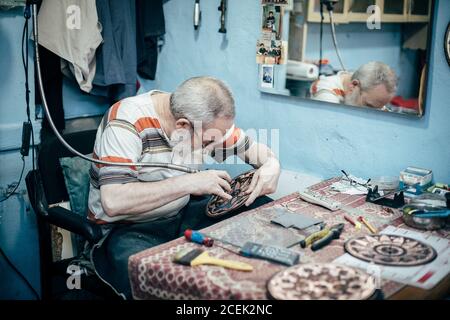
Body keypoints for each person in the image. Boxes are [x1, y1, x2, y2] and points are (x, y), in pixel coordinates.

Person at [87, 77, 281, 298]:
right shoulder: (126, 122)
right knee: (159, 277)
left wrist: (272, 165)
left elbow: (260, 154)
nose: (214, 144)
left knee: (259, 206)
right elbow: (114, 202)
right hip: (126, 229)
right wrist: (190, 183)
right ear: (182, 126)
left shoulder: (206, 122)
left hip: (180, 214)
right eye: (208, 142)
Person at [310, 61, 398, 109]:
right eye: (368, 106)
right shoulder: (326, 95)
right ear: (354, 85)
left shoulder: (372, 95)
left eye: (380, 107)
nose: (374, 114)